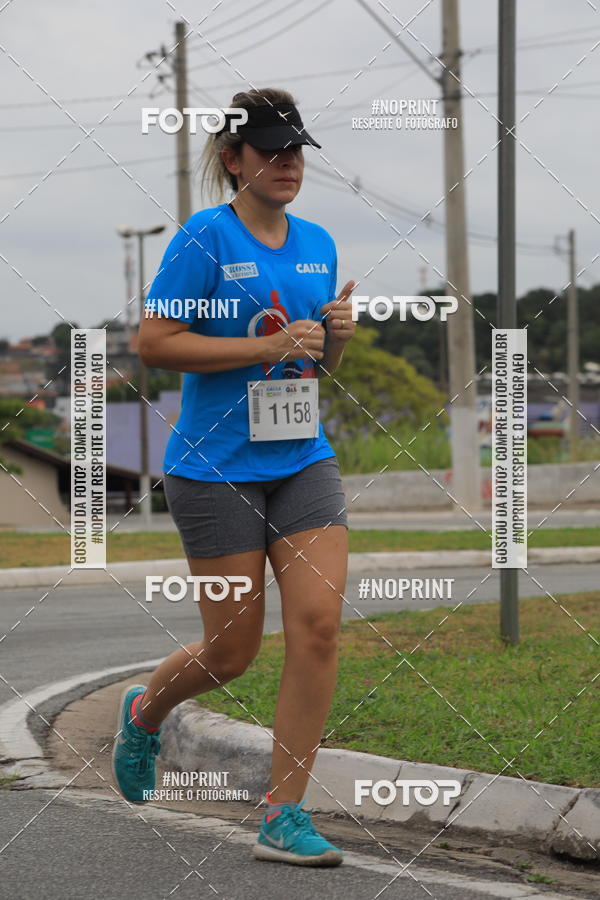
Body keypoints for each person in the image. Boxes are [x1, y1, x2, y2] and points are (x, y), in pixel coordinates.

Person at [111, 87, 356, 867]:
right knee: (232, 652)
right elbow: (153, 342)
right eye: (270, 151)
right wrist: (260, 348)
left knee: (317, 626)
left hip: (302, 459)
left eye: (295, 151)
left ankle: (284, 814)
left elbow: (313, 364)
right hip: (214, 469)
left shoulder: (317, 243)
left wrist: (335, 338)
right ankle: (146, 713)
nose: (287, 164)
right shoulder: (203, 237)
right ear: (233, 160)